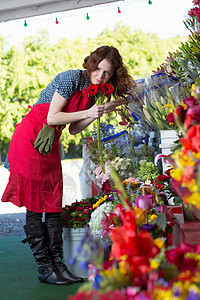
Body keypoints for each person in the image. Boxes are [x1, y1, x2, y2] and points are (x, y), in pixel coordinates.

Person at [1, 45, 134, 286]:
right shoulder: (70, 78)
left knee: (52, 202)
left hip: (50, 142)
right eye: (99, 69)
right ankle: (45, 267)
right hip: (31, 138)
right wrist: (87, 111)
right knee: (35, 203)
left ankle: (58, 266)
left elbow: (73, 128)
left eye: (107, 73)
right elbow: (52, 117)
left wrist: (93, 115)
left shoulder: (94, 92)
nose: (101, 76)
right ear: (92, 62)